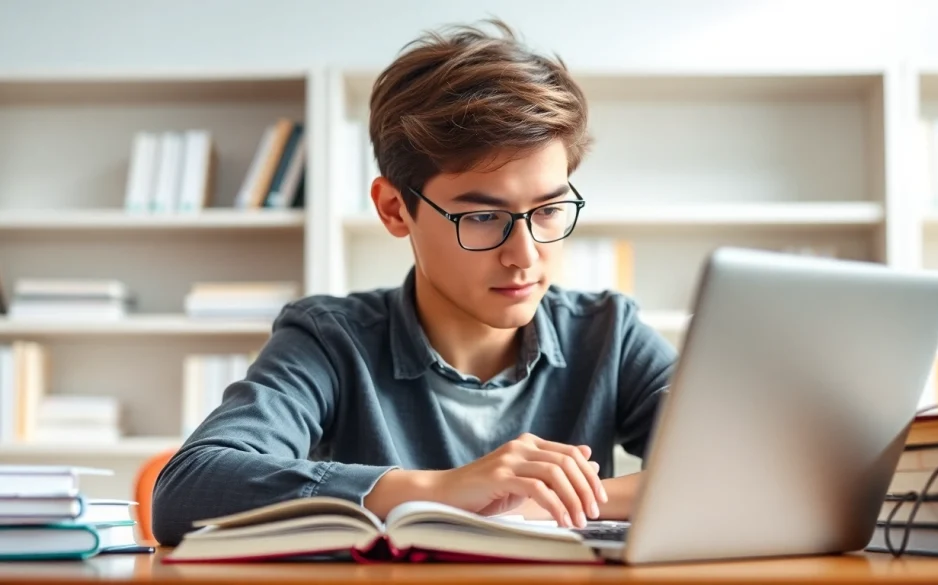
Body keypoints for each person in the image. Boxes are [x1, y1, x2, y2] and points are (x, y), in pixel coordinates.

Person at [151, 18, 677, 546]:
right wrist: (438, 491)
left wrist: (556, 499)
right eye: (481, 217)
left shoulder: (609, 332)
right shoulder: (332, 340)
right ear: (394, 209)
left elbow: (748, 466)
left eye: (548, 210)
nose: (525, 255)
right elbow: (187, 489)